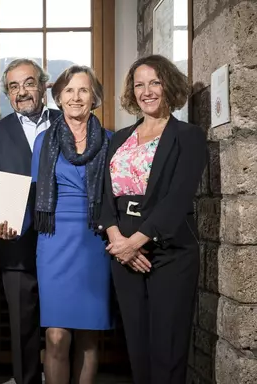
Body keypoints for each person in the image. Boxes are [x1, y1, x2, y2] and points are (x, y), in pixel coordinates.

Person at [98, 54, 207, 384]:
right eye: (139, 84)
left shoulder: (188, 136)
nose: (146, 91)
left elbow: (178, 198)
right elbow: (104, 196)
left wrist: (136, 242)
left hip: (169, 253)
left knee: (167, 348)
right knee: (137, 347)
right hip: (123, 254)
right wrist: (118, 242)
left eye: (154, 82)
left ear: (169, 85)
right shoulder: (119, 139)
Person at [0, 58, 61, 384]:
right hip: (15, 243)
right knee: (22, 325)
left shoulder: (66, 122)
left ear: (43, 86)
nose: (22, 91)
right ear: (7, 94)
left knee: (62, 326)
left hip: (62, 242)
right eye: (14, 86)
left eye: (28, 83)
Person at [31, 65, 113, 384]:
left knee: (89, 336)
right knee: (55, 336)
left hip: (95, 239)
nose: (76, 97)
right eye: (69, 90)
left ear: (94, 98)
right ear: (58, 98)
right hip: (53, 240)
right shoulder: (43, 141)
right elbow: (35, 193)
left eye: (83, 90)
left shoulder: (110, 140)